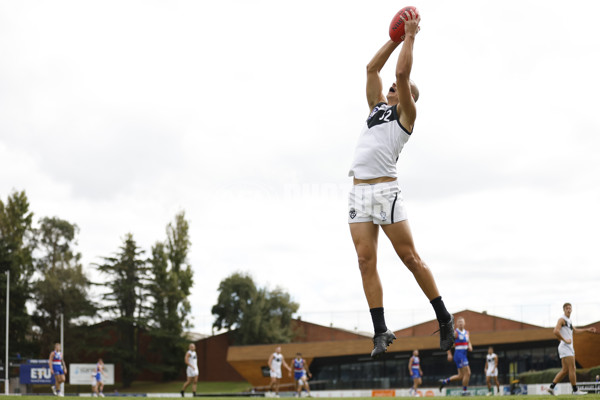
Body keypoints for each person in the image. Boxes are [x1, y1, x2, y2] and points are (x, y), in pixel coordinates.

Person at [347, 8, 454, 359]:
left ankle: (443, 317)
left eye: (401, 88)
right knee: (365, 261)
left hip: (385, 191)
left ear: (408, 96)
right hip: (359, 191)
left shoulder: (405, 115)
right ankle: (380, 330)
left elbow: (401, 72)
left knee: (409, 257)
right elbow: (372, 69)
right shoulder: (376, 108)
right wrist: (393, 39)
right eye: (393, 88)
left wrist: (410, 36)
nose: (393, 86)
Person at [547, 303, 597, 396]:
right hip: (566, 347)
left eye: (570, 308)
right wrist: (565, 340)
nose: (569, 309)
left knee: (565, 370)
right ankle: (575, 390)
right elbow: (555, 331)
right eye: (567, 308)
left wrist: (587, 330)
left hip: (566, 347)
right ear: (564, 310)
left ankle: (551, 388)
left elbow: (575, 331)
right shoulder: (562, 319)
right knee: (572, 368)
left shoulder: (569, 320)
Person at [439, 317, 472, 396]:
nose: (460, 323)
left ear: (464, 323)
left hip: (464, 355)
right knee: (468, 373)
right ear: (457, 324)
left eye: (462, 322)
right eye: (459, 322)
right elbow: (448, 343)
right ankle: (464, 391)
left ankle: (445, 381)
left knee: (461, 376)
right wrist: (449, 354)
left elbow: (469, 341)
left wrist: (470, 346)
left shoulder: (467, 332)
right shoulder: (455, 333)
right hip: (459, 354)